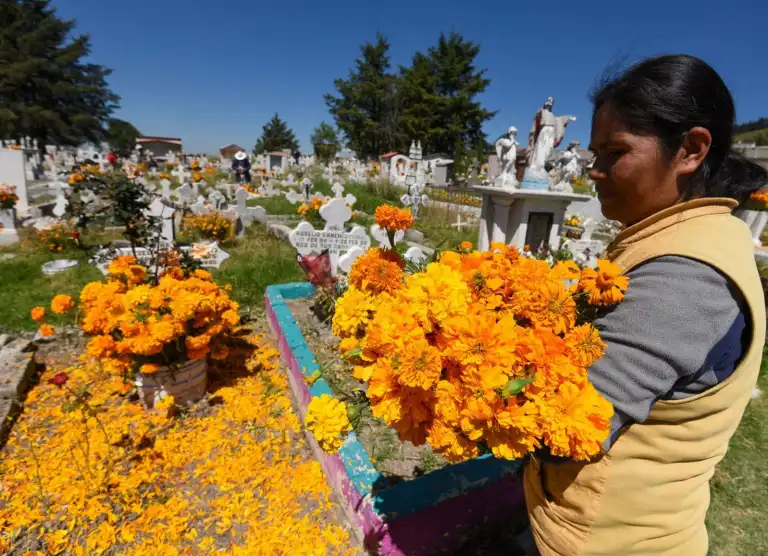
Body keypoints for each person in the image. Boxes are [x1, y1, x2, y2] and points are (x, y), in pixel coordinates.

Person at [523, 54, 767, 556]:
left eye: (614, 152)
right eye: (594, 154)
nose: (595, 171)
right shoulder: (696, 237)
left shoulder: (685, 278)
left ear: (691, 150)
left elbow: (564, 432)